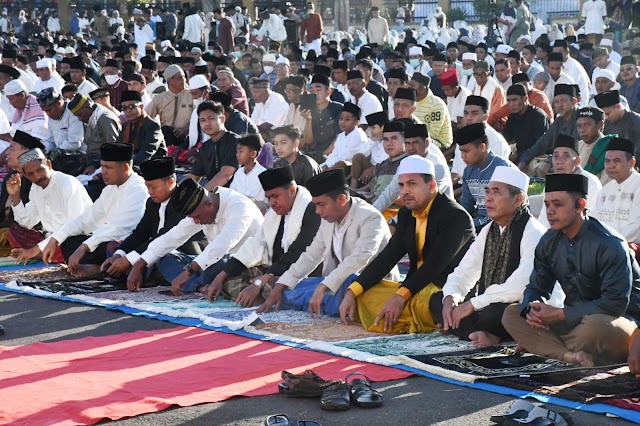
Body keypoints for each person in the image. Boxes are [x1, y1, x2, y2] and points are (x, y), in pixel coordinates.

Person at [502, 173, 640, 367]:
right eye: (547, 204)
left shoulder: (610, 243)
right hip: (574, 319)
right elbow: (536, 287)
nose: (550, 211)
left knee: (592, 328)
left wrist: (559, 314)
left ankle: (544, 346)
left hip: (620, 321)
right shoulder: (549, 241)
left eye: (558, 205)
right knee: (512, 313)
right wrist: (531, 309)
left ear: (580, 205)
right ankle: (570, 356)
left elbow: (615, 303)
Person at [340, 155, 474, 333]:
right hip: (414, 288)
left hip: (446, 290)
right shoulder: (406, 214)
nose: (404, 192)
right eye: (401, 185)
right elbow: (388, 257)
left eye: (412, 184)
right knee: (364, 293)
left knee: (431, 302)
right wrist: (353, 291)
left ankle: (420, 316)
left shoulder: (456, 217)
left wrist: (400, 296)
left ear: (432, 186)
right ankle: (415, 318)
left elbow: (434, 266)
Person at [430, 167, 545, 347]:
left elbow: (521, 286)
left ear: (518, 199)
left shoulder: (533, 232)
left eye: (496, 192)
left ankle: (471, 331)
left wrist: (471, 305)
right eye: (487, 192)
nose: (488, 198)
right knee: (437, 300)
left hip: (514, 307)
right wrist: (451, 297)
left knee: (500, 313)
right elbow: (465, 271)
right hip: (486, 305)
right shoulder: (488, 230)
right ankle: (482, 333)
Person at [257, 169, 396, 317]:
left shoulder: (371, 218)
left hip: (366, 286)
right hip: (335, 284)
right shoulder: (328, 219)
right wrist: (281, 285)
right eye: (315, 205)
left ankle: (319, 301)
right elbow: (311, 256)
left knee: (341, 282)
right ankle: (316, 300)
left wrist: (324, 286)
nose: (317, 211)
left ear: (341, 200)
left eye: (321, 204)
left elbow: (359, 259)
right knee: (287, 287)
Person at [206, 165, 321, 305]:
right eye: (268, 198)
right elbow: (254, 244)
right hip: (273, 271)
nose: (272, 203)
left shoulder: (312, 210)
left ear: (291, 190)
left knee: (274, 289)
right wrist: (221, 276)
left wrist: (260, 282)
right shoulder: (273, 214)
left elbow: (298, 253)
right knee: (228, 279)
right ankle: (258, 299)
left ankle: (263, 298)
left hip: (302, 276)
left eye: (275, 196)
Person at [126, 178, 263, 295]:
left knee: (220, 261)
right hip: (210, 262)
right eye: (193, 218)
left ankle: (195, 284)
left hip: (241, 263)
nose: (196, 222)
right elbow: (173, 236)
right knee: (165, 257)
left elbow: (222, 245)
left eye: (197, 217)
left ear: (209, 205)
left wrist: (187, 272)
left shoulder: (239, 207)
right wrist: (139, 265)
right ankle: (199, 286)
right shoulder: (203, 209)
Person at [41, 143, 149, 277]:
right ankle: (91, 267)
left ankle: (97, 269)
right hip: (104, 239)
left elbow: (120, 228)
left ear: (125, 167)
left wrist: (84, 247)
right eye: (102, 166)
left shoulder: (138, 190)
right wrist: (55, 238)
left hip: (125, 244)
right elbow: (87, 219)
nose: (103, 172)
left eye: (108, 167)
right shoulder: (109, 189)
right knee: (69, 239)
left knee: (113, 247)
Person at [101, 157, 203, 280]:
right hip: (152, 253)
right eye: (147, 187)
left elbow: (164, 237)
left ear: (170, 182)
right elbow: (141, 232)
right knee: (113, 247)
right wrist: (119, 255)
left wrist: (129, 260)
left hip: (183, 254)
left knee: (165, 259)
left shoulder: (184, 201)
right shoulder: (152, 202)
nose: (149, 192)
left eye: (153, 187)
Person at [538, 134, 602, 228]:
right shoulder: (553, 181)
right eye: (556, 156)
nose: (559, 161)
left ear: (577, 161)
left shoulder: (591, 182)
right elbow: (543, 219)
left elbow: (590, 219)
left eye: (566, 156)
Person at [458, 123, 514, 230]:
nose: (462, 156)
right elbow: (466, 206)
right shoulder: (468, 171)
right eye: (461, 151)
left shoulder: (502, 169)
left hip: (503, 226)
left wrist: (471, 224)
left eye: (466, 151)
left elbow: (505, 213)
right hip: (481, 226)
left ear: (482, 147)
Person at [518, 84, 581, 174]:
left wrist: (551, 162)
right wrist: (524, 160)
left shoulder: (581, 119)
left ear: (574, 101)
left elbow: (574, 148)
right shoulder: (559, 120)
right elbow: (542, 143)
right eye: (556, 102)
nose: (559, 105)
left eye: (563, 101)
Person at [591, 138, 640, 246]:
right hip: (605, 247)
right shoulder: (606, 190)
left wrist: (611, 242)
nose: (611, 165)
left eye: (617, 161)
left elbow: (636, 226)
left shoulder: (638, 186)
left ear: (631, 163)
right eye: (607, 161)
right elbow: (595, 220)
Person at [451, 96, 511, 182]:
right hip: (463, 186)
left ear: (486, 117)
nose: (468, 118)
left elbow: (491, 181)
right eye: (466, 113)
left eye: (474, 113)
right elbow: (455, 173)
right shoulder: (464, 136)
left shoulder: (496, 141)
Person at [187, 101, 239, 191]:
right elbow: (192, 178)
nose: (207, 123)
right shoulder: (205, 147)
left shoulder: (235, 141)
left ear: (222, 118)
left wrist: (202, 196)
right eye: (202, 120)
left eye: (211, 118)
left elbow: (225, 175)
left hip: (238, 195)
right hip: (216, 196)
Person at [145, 64, 194, 148]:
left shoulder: (192, 95)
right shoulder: (160, 98)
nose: (184, 80)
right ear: (169, 81)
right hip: (166, 138)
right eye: (180, 78)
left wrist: (185, 129)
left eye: (184, 77)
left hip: (187, 139)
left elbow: (199, 118)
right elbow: (145, 117)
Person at [68, 93, 121, 169]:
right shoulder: (90, 118)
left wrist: (95, 165)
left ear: (88, 107)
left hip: (106, 163)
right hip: (93, 160)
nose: (79, 119)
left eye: (80, 115)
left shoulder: (105, 120)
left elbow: (114, 148)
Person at [502, 84, 550, 164]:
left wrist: (520, 156)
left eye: (514, 100)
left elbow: (540, 146)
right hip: (519, 155)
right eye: (509, 101)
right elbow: (505, 139)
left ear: (525, 98)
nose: (511, 104)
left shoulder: (538, 116)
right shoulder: (513, 116)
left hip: (538, 157)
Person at [116, 90, 167, 166]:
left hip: (154, 165)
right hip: (132, 164)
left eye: (131, 107)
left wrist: (128, 166)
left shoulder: (152, 126)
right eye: (124, 108)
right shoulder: (126, 125)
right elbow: (118, 146)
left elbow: (147, 151)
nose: (128, 111)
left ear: (141, 107)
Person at [408, 72, 452, 148]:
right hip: (416, 139)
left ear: (421, 89)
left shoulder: (436, 104)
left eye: (412, 86)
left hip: (439, 143)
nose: (408, 87)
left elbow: (433, 134)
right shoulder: (410, 102)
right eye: (409, 84)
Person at [321, 102, 369, 171]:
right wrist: (323, 166)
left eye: (347, 119)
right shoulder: (341, 136)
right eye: (341, 118)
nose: (342, 122)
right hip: (337, 165)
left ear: (356, 122)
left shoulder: (358, 134)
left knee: (341, 164)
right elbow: (334, 154)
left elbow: (346, 156)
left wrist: (326, 168)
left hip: (353, 168)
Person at [36, 87, 85, 154]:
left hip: (79, 154)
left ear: (58, 103)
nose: (47, 114)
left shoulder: (73, 112)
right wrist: (42, 150)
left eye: (49, 110)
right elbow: (50, 140)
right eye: (45, 111)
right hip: (59, 153)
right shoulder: (52, 116)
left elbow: (75, 142)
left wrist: (56, 152)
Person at [594, 90, 640, 159]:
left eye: (607, 113)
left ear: (618, 106)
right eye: (603, 115)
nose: (605, 118)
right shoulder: (605, 123)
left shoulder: (636, 122)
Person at [349, 111, 388, 189]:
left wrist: (373, 169)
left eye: (373, 128)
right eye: (370, 128)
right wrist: (371, 141)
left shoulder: (389, 142)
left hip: (383, 170)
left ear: (383, 127)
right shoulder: (372, 140)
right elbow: (359, 155)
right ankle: (353, 187)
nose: (371, 131)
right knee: (358, 157)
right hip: (370, 168)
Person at [230, 134, 267, 203]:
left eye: (241, 151)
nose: (237, 154)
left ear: (253, 154)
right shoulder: (238, 172)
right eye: (237, 151)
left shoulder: (264, 174)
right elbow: (232, 193)